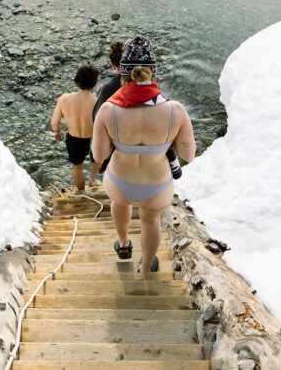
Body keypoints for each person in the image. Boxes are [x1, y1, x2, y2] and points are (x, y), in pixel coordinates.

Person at [91, 36, 196, 273]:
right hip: (156, 184)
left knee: (120, 202)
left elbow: (99, 155)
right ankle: (146, 267)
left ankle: (124, 243)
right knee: (151, 220)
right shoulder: (175, 110)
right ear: (152, 74)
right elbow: (188, 154)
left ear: (123, 75)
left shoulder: (108, 109)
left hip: (119, 180)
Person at [50, 65, 100, 190]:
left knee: (77, 167)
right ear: (94, 83)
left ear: (77, 80)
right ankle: (92, 180)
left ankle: (81, 192)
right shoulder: (97, 102)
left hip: (74, 139)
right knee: (96, 160)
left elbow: (54, 122)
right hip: (92, 139)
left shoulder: (64, 99)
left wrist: (57, 132)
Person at [88, 40, 124, 185]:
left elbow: (97, 117)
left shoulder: (109, 88)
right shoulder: (141, 81)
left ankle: (92, 179)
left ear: (114, 67)